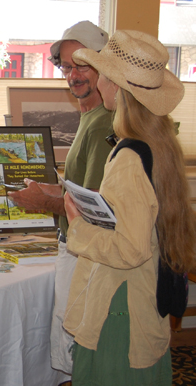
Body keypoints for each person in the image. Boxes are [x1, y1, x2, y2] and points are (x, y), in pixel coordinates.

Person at [64, 30, 196, 385]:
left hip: (119, 312)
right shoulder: (159, 145)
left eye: (103, 74)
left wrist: (78, 224)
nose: (99, 82)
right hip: (141, 299)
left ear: (117, 87)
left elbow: (129, 248)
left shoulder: (128, 158)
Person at [7, 20, 113, 383]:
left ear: (104, 65)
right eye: (66, 67)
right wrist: (49, 191)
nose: (73, 75)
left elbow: (99, 211)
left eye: (81, 64)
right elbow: (79, 190)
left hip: (87, 258)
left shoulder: (105, 124)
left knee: (78, 355)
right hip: (75, 251)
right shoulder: (89, 116)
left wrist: (44, 201)